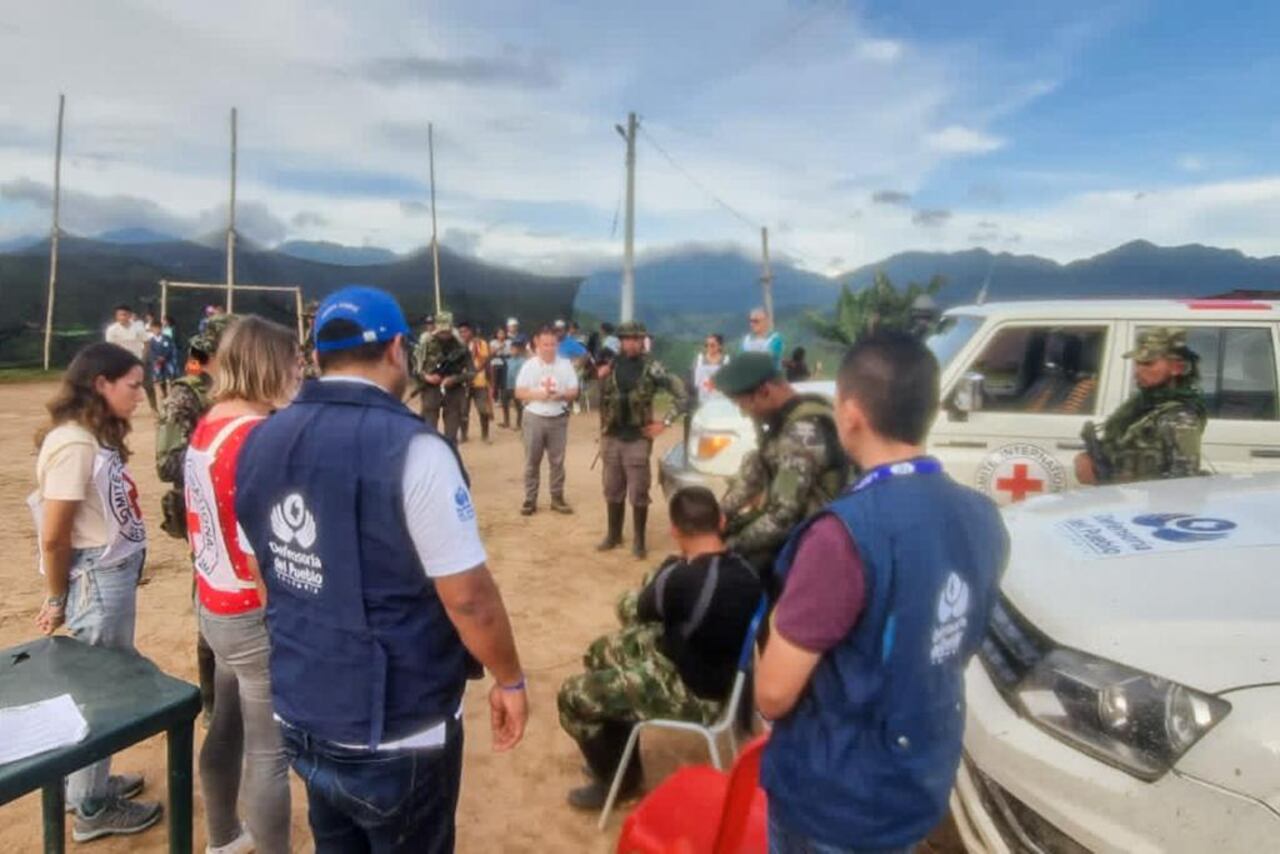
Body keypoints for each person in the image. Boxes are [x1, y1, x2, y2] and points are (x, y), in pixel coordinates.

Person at [234, 287, 528, 854]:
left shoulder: (262, 439)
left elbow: (267, 572)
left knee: (335, 840)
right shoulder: (415, 449)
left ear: (316, 353)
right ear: (398, 349)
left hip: (302, 704)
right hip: (396, 724)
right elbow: (468, 598)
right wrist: (510, 678)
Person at [755, 331, 1008, 853]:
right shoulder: (981, 515)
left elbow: (773, 693)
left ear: (850, 414)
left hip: (837, 797)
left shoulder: (844, 535)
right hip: (918, 776)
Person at [29, 343, 163, 842]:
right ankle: (90, 805)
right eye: (132, 385)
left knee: (100, 682)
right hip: (96, 578)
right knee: (102, 693)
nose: (140, 395)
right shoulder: (76, 444)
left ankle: (88, 782)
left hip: (107, 573)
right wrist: (57, 595)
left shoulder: (89, 437)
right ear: (101, 384)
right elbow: (54, 533)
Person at [558, 486, 762, 809]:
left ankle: (618, 781)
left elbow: (634, 609)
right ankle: (620, 759)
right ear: (721, 521)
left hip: (693, 688)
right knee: (601, 653)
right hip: (717, 674)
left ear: (675, 531)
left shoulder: (681, 578)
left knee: (572, 696)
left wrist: (668, 568)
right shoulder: (748, 570)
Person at [185, 317, 301, 854]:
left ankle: (221, 836)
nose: (301, 372)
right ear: (269, 366)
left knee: (227, 726)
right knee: (268, 752)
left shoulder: (210, 422)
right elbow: (262, 547)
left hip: (214, 599)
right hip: (252, 611)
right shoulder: (259, 435)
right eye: (294, 363)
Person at [156, 312, 236, 723]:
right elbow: (167, 464)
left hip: (245, 513)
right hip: (206, 516)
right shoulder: (186, 394)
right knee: (210, 604)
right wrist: (224, 450)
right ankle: (211, 700)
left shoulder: (247, 392)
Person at [714, 352, 849, 598]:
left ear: (765, 391)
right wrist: (721, 514)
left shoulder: (801, 433)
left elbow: (782, 518)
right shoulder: (786, 417)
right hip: (800, 530)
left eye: (744, 405)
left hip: (817, 545)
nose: (745, 413)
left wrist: (728, 546)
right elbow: (755, 470)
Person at [595, 321, 688, 558]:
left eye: (636, 339)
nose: (632, 343)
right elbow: (599, 395)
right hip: (612, 435)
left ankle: (639, 541)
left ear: (643, 341)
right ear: (621, 341)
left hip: (638, 437)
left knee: (638, 491)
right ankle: (613, 535)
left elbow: (682, 396)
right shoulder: (612, 366)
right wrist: (599, 376)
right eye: (627, 338)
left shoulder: (652, 368)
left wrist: (665, 423)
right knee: (612, 488)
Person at [1075, 327, 1207, 485]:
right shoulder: (1140, 407)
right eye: (1137, 364)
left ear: (1176, 368)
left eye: (1148, 364)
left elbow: (1183, 483)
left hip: (1148, 505)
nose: (1138, 371)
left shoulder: (1179, 417)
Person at [514, 326, 580, 515]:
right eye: (545, 344)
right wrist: (537, 394)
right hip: (534, 416)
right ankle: (530, 499)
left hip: (558, 417)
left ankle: (557, 498)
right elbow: (519, 392)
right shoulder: (529, 365)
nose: (549, 348)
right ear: (537, 343)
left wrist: (560, 394)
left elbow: (574, 391)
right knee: (532, 461)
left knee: (557, 461)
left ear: (557, 344)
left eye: (552, 344)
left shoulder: (565, 365)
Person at [413, 310, 473, 442]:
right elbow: (416, 369)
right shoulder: (425, 344)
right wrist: (427, 377)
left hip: (454, 391)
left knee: (451, 436)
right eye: (441, 331)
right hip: (431, 390)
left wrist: (454, 379)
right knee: (429, 433)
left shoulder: (461, 346)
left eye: (447, 331)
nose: (444, 334)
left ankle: (451, 459)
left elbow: (471, 372)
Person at [105, 305, 155, 411]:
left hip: (137, 360)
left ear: (130, 315)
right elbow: (110, 347)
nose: (122, 317)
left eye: (124, 314)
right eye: (119, 315)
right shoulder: (112, 330)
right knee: (120, 385)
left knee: (148, 385)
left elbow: (146, 342)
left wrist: (143, 358)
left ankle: (154, 408)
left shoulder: (138, 328)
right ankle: (118, 407)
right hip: (120, 362)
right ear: (116, 316)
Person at [457, 321, 493, 443]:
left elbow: (485, 361)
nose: (463, 334)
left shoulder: (481, 344)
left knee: (483, 410)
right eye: (460, 331)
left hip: (479, 381)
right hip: (462, 383)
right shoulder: (456, 345)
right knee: (463, 411)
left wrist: (473, 372)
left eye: (465, 331)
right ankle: (463, 435)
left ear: (471, 332)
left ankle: (485, 435)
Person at [741, 307, 784, 371]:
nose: (752, 324)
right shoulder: (746, 340)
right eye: (750, 321)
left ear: (766, 321)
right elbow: (742, 360)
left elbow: (769, 358)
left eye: (756, 321)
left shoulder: (775, 338)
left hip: (770, 378)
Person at [692, 333, 730, 404]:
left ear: (720, 346)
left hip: (721, 401)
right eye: (706, 345)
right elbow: (694, 383)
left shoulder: (726, 361)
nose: (709, 347)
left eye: (712, 345)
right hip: (703, 401)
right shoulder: (699, 360)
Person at [147, 319, 177, 402]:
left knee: (171, 375)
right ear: (152, 329)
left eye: (158, 328)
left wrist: (164, 357)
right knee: (160, 378)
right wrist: (157, 358)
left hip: (168, 360)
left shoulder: (167, 338)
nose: (156, 330)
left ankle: (173, 393)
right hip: (157, 362)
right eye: (154, 328)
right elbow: (151, 351)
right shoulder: (151, 341)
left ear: (161, 328)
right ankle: (164, 393)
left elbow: (170, 348)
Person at [505, 335, 529, 430]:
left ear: (519, 350)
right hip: (507, 385)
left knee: (519, 406)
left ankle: (519, 424)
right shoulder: (507, 360)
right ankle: (506, 421)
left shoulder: (523, 361)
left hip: (517, 387)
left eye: (515, 349)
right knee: (504, 404)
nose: (513, 350)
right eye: (512, 349)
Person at [489, 326, 511, 427]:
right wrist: (499, 347)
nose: (501, 335)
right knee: (495, 382)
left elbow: (510, 352)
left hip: (506, 361)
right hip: (496, 362)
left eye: (503, 333)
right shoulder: (493, 342)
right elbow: (492, 353)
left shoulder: (509, 342)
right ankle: (495, 398)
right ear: (496, 334)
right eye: (499, 333)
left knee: (504, 383)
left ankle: (503, 398)